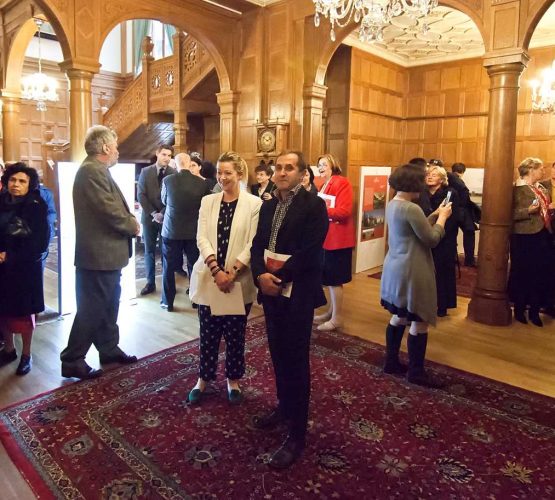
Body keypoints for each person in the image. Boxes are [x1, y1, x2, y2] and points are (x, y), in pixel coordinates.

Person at [251, 151, 328, 469]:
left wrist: (277, 279)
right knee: (278, 353)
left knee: (296, 361)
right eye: (278, 168)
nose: (282, 173)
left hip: (297, 293)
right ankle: (284, 407)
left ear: (301, 173)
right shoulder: (268, 205)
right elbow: (257, 245)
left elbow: (310, 252)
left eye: (289, 168)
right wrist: (260, 276)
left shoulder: (314, 206)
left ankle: (297, 434)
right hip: (271, 293)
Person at [60, 126, 140, 380]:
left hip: (105, 255)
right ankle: (72, 359)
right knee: (92, 309)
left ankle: (108, 349)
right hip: (98, 257)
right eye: (115, 146)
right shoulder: (91, 171)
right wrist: (133, 225)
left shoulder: (96, 170)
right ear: (105, 147)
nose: (117, 151)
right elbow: (109, 211)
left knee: (108, 305)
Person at [187, 151, 262, 405]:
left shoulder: (254, 204)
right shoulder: (208, 201)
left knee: (235, 335)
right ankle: (203, 379)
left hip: (238, 281)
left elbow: (253, 242)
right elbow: (201, 238)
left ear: (239, 174)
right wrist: (217, 271)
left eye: (228, 172)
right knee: (208, 334)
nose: (222, 177)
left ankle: (233, 380)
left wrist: (232, 273)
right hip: (211, 278)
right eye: (219, 172)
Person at [380, 163, 452, 387]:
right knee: (419, 321)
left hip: (396, 266)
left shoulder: (394, 203)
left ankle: (391, 362)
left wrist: (434, 215)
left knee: (399, 316)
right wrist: (443, 218)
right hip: (412, 269)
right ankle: (416, 372)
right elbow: (431, 239)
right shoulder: (411, 208)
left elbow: (413, 230)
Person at [0, 163, 49, 375]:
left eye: (22, 181)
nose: (16, 184)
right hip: (2, 267)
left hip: (25, 268)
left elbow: (39, 241)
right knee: (3, 310)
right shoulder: (1, 201)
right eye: (13, 179)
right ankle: (9, 350)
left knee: (24, 314)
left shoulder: (36, 205)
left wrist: (10, 255)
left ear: (30, 184)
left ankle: (26, 355)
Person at [160, 153, 211, 311]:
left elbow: (164, 200)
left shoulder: (167, 180)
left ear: (175, 164)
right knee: (194, 265)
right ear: (189, 164)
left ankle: (167, 302)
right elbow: (205, 205)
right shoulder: (202, 183)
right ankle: (195, 299)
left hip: (171, 230)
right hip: (193, 231)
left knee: (168, 267)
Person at [508, 157, 554, 326]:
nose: (544, 171)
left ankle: (535, 312)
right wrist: (528, 210)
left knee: (539, 274)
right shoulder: (517, 189)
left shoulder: (542, 188)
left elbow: (544, 210)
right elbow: (508, 214)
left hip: (543, 234)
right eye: (541, 168)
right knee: (522, 273)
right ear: (531, 170)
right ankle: (519, 310)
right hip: (523, 237)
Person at [313, 154, 355, 331]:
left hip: (338, 240)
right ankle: (331, 312)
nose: (321, 167)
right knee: (330, 278)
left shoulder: (341, 182)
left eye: (324, 164)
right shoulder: (324, 183)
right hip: (327, 238)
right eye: (319, 165)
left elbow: (344, 212)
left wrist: (321, 209)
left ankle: (337, 318)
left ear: (333, 165)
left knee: (335, 279)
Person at [137, 144, 176, 296]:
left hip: (166, 218)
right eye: (164, 154)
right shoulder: (146, 172)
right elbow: (141, 195)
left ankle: (167, 284)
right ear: (157, 154)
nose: (167, 158)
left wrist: (162, 213)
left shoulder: (173, 173)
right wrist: (154, 213)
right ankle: (150, 283)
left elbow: (174, 196)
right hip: (149, 217)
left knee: (167, 251)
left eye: (169, 156)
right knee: (149, 251)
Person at [425, 164, 459, 317]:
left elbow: (453, 217)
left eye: (434, 174)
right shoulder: (422, 194)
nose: (430, 176)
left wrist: (438, 230)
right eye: (428, 174)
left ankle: (442, 305)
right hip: (426, 236)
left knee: (443, 272)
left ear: (442, 179)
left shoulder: (450, 193)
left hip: (444, 238)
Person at [448, 163, 478, 267]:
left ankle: (452, 258)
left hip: (450, 211)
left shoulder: (448, 179)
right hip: (462, 212)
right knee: (469, 234)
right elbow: (465, 199)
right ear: (463, 171)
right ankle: (469, 260)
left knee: (452, 234)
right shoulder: (459, 182)